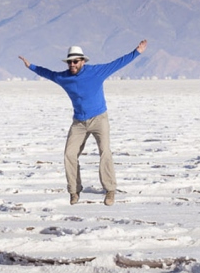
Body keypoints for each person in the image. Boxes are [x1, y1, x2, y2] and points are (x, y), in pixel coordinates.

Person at [20, 40, 147, 206]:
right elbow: (48, 73)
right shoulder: (63, 77)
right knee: (69, 154)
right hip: (79, 122)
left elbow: (117, 63)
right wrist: (31, 66)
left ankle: (110, 190)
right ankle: (74, 191)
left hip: (99, 119)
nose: (72, 64)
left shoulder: (96, 72)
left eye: (75, 61)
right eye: (70, 62)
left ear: (83, 61)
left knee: (105, 152)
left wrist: (136, 52)